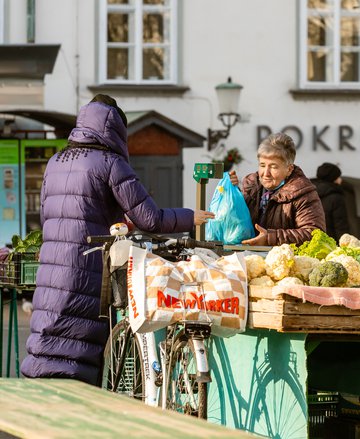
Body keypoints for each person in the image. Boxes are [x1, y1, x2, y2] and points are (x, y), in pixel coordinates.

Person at [20, 94, 214, 385]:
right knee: (78, 353)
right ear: (116, 130)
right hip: (87, 272)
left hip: (52, 270)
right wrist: (190, 217)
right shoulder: (110, 163)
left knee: (49, 345)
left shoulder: (56, 162)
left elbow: (54, 217)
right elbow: (151, 219)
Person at [229, 132, 325, 246]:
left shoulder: (303, 193)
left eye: (274, 167)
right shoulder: (251, 186)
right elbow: (236, 223)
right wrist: (231, 193)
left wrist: (270, 238)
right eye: (262, 165)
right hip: (248, 258)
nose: (266, 173)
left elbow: (314, 234)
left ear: (289, 169)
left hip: (286, 261)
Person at [312, 162, 350, 241]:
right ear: (333, 178)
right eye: (338, 177)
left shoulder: (308, 193)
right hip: (330, 243)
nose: (340, 179)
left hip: (312, 240)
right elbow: (340, 225)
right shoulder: (336, 198)